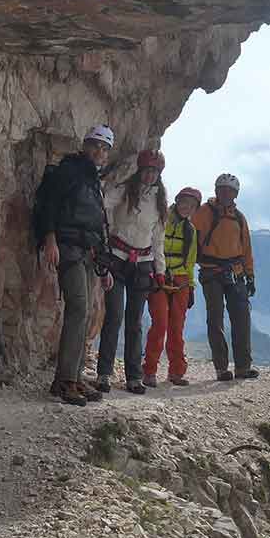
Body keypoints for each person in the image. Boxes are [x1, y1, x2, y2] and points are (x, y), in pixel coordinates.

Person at [36, 125, 116, 406]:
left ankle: (75, 376)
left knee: (87, 311)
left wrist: (104, 266)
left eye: (105, 149)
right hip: (68, 248)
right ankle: (65, 380)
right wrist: (50, 239)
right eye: (96, 146)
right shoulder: (69, 172)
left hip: (87, 251)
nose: (100, 152)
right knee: (79, 307)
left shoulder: (94, 181)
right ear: (85, 146)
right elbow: (50, 205)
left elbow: (99, 224)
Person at [97, 149, 167, 394]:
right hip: (117, 259)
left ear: (159, 174)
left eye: (154, 172)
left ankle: (134, 377)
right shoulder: (124, 191)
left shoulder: (159, 202)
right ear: (140, 170)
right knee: (114, 316)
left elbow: (158, 239)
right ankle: (103, 374)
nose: (150, 176)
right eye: (147, 171)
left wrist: (160, 271)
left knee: (135, 322)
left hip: (143, 264)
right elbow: (103, 202)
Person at [191, 173, 258, 381]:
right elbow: (190, 239)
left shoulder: (239, 217)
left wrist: (250, 275)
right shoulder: (203, 213)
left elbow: (246, 248)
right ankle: (221, 368)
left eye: (230, 191)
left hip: (235, 272)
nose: (226, 194)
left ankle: (242, 367)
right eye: (222, 190)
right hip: (211, 272)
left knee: (241, 318)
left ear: (236, 194)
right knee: (216, 319)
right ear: (216, 191)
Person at [143, 186, 200, 387]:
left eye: (192, 206)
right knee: (160, 323)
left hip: (180, 280)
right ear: (178, 201)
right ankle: (149, 371)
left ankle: (176, 372)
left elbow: (190, 260)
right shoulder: (161, 220)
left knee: (176, 328)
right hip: (159, 276)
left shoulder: (190, 231)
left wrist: (191, 286)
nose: (188, 208)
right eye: (185, 203)